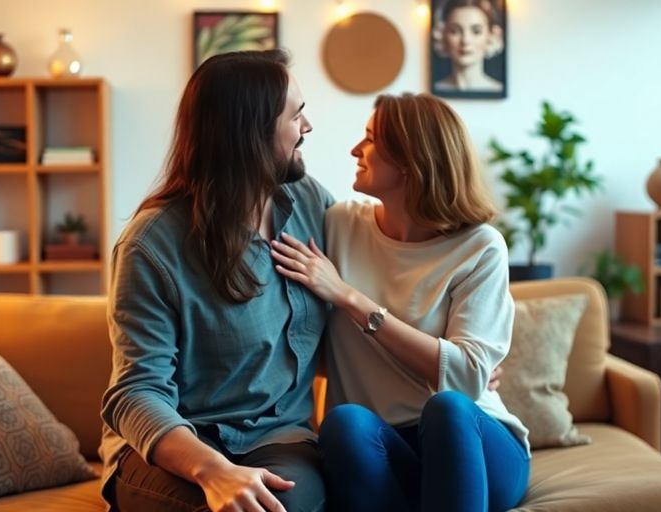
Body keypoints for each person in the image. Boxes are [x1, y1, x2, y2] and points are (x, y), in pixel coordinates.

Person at [269, 93, 529, 512]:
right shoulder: (338, 225)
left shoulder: (480, 247)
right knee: (344, 421)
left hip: (475, 449)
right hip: (385, 449)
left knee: (447, 408)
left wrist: (348, 297)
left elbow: (465, 379)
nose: (355, 150)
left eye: (370, 139)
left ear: (410, 161)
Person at [99, 49, 334, 512]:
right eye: (296, 116)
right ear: (251, 134)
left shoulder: (308, 203)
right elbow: (135, 391)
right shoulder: (151, 246)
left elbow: (385, 253)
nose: (307, 127)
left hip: (279, 440)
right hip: (174, 447)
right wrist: (214, 470)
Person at [432, 0, 506, 93]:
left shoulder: (497, 88)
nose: (465, 40)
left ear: (491, 35)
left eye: (476, 31)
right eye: (455, 31)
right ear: (443, 34)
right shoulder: (434, 92)